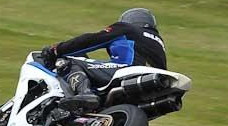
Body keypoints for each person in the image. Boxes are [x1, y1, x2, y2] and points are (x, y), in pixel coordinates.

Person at [38, 8, 167, 112]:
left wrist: (57, 50)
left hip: (126, 71)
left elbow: (91, 40)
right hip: (150, 87)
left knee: (68, 61)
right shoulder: (159, 43)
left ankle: (85, 93)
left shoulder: (127, 29)